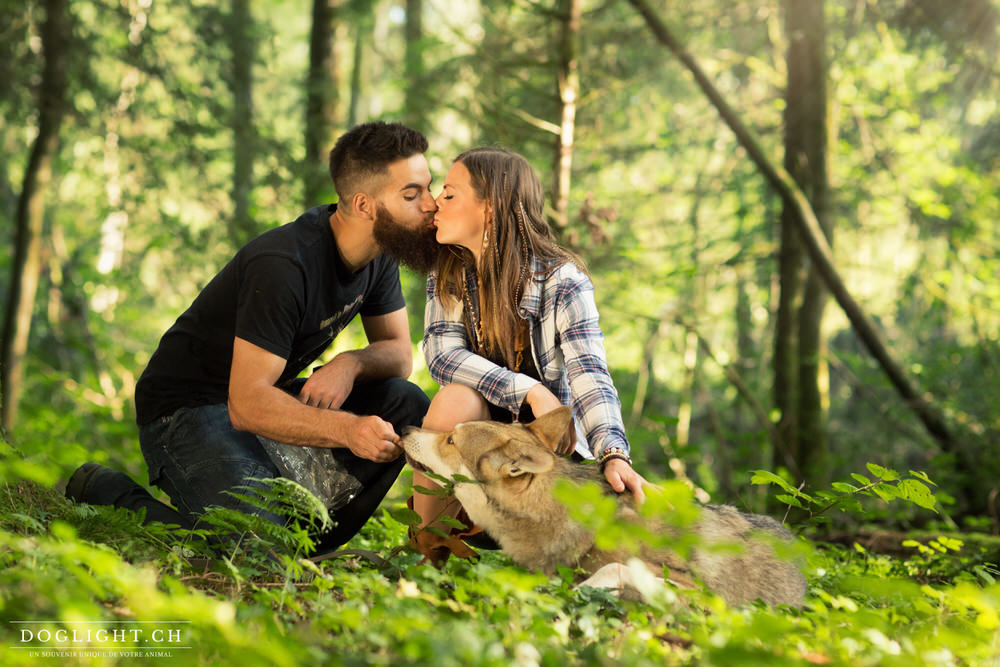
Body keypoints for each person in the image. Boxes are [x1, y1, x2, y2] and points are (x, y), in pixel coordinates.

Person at [66, 121, 441, 553]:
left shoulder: (379, 254)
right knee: (258, 555)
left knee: (405, 400)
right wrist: (349, 430)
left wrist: (349, 364)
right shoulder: (284, 265)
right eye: (411, 195)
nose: (431, 205)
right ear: (364, 205)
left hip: (254, 401)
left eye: (427, 188)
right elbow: (247, 405)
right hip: (185, 413)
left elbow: (397, 354)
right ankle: (108, 492)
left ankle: (305, 546)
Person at [411, 146, 647, 565]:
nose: (435, 206)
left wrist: (613, 452)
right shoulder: (446, 272)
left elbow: (590, 375)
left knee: (618, 550)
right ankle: (429, 559)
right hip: (477, 454)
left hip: (542, 469)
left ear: (491, 207)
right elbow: (441, 355)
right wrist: (529, 390)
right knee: (454, 399)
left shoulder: (564, 282)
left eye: (449, 193)